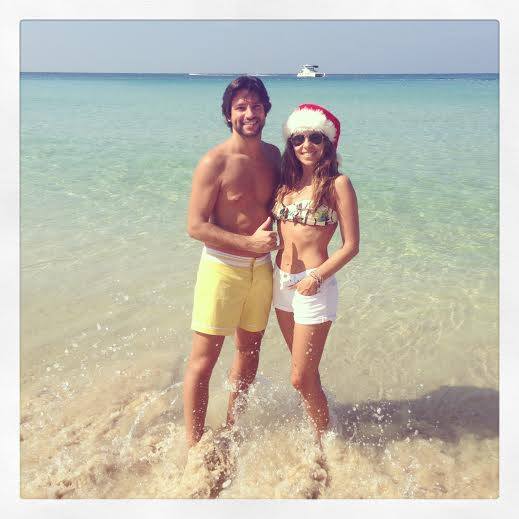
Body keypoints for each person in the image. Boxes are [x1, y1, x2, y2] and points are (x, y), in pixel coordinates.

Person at [183, 76, 281, 447]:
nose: (249, 113)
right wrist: (248, 242)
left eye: (256, 106)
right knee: (203, 360)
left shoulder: (274, 156)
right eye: (240, 107)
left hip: (262, 271)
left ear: (266, 111)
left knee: (249, 354)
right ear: (228, 114)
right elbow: (195, 226)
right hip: (222, 269)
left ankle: (231, 429)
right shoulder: (215, 162)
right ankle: (194, 446)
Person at [272, 104, 359, 441]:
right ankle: (322, 425)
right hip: (281, 284)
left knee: (299, 378)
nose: (306, 145)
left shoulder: (338, 184)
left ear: (328, 143)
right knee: (306, 373)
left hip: (314, 286)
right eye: (298, 139)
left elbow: (351, 246)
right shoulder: (287, 184)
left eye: (315, 138)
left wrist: (316, 277)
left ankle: (327, 442)